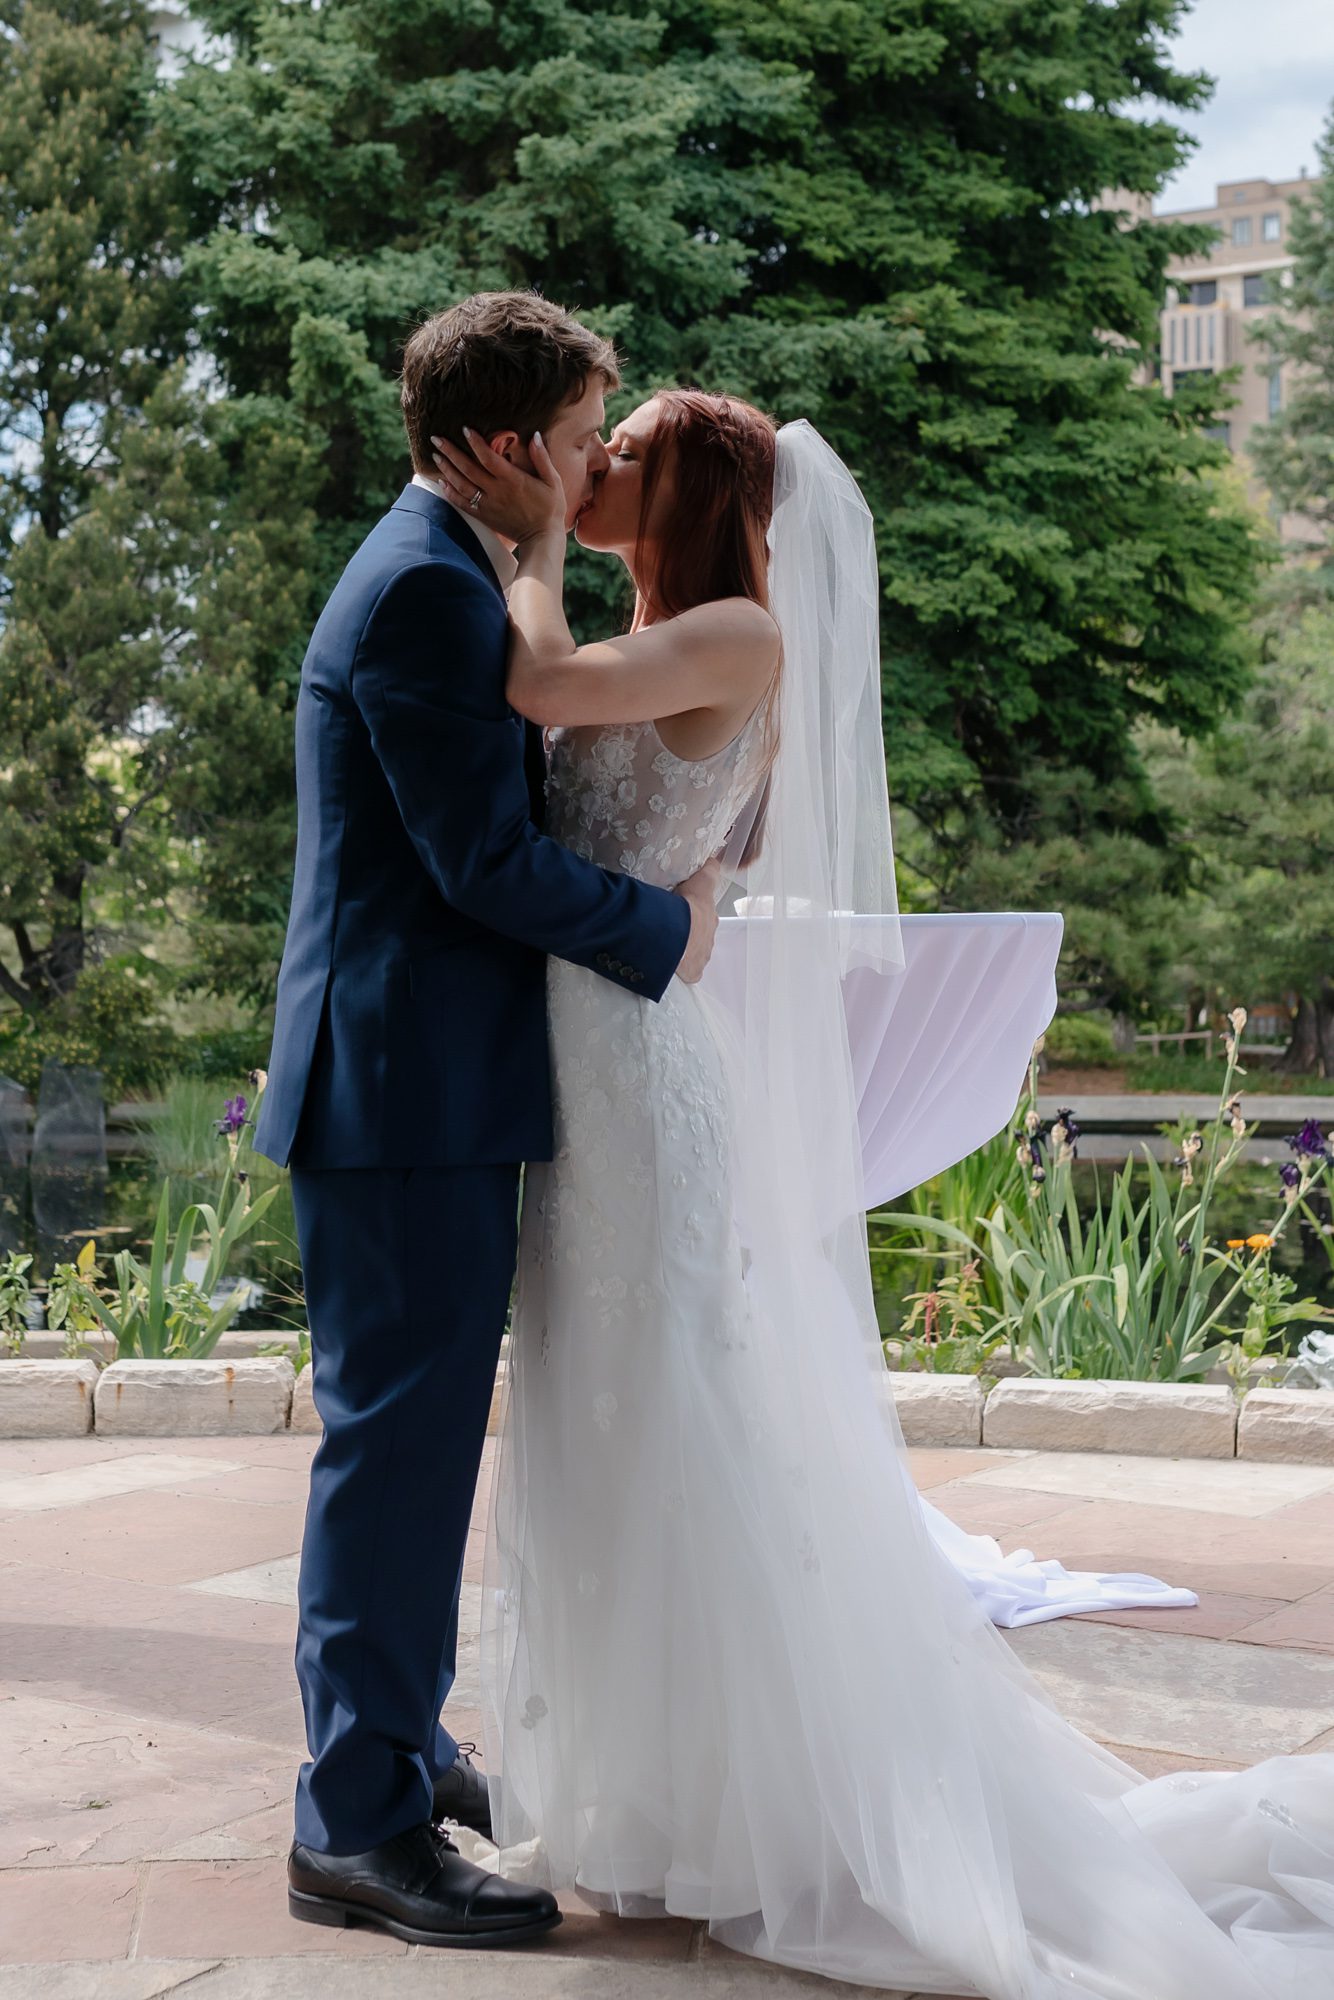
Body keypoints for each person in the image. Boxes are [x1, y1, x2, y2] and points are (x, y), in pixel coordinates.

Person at [425, 387, 1334, 1998]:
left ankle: (762, 1803)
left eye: (621, 450)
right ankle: (656, 1795)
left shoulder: (732, 632)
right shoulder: (687, 630)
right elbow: (694, 843)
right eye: (594, 446)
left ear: (688, 484)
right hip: (596, 1048)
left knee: (669, 1413)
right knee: (604, 1417)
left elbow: (545, 683)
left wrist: (527, 521)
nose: (598, 465)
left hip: (637, 1077)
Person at [251, 291, 724, 1949]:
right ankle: (354, 1829)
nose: (593, 470)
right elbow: (481, 868)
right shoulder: (421, 600)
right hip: (399, 1097)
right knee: (394, 1460)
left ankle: (393, 1744)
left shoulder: (452, 573)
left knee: (424, 1446)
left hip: (428, 1086)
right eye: (584, 439)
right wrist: (672, 931)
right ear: (516, 448)